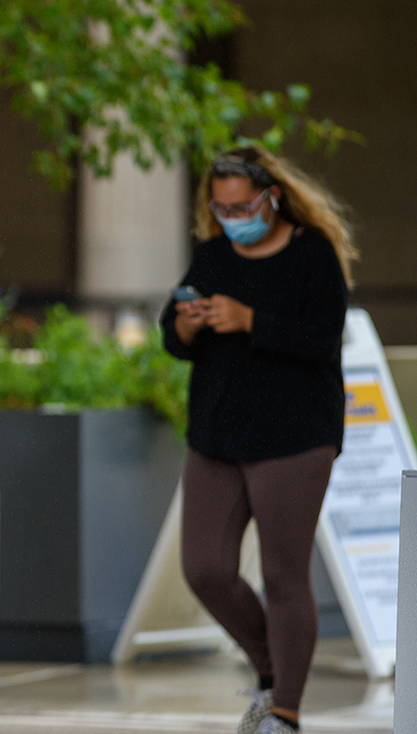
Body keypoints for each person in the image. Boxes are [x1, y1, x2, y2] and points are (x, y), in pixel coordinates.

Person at [161, 147, 357, 734]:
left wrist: (250, 321)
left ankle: (285, 714)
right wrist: (183, 325)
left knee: (283, 575)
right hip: (217, 435)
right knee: (205, 568)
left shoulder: (312, 254)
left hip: (295, 436)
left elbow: (323, 339)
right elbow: (171, 337)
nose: (230, 217)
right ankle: (271, 670)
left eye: (241, 206)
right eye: (220, 208)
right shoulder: (213, 255)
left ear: (272, 196)